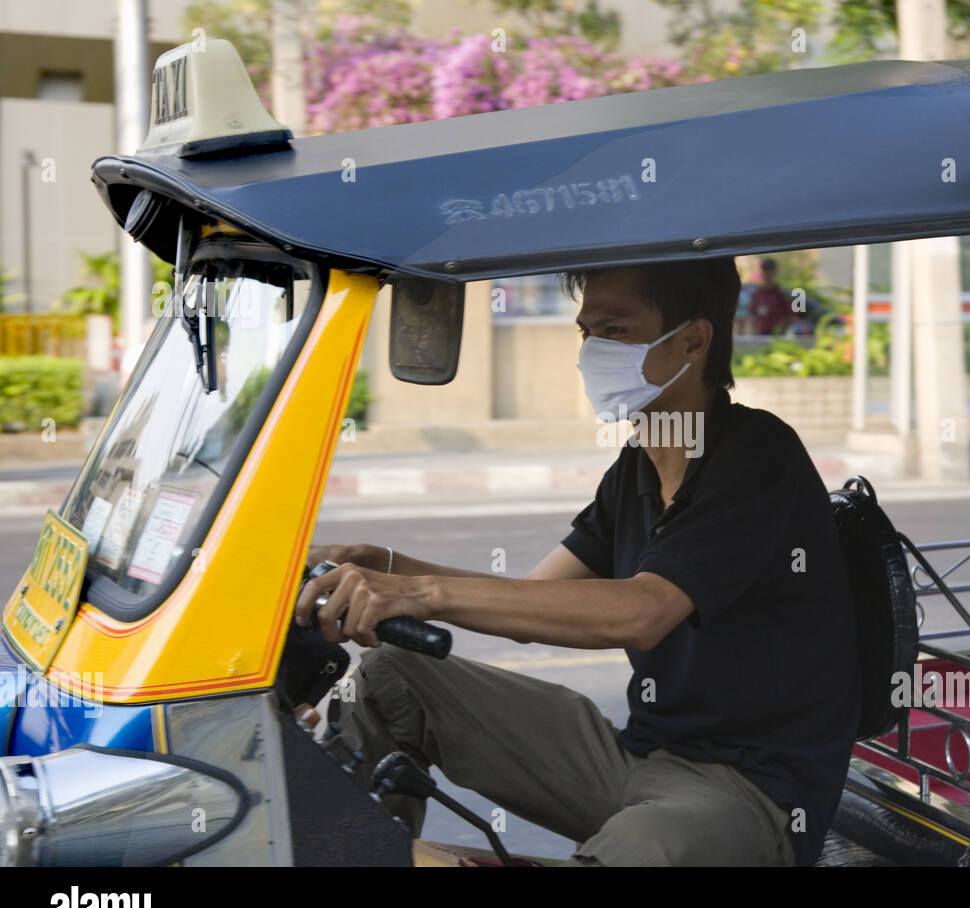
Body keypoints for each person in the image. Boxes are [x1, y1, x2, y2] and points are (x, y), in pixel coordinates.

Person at [297, 257, 860, 867]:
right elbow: (529, 601)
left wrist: (423, 594)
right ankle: (343, 850)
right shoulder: (637, 468)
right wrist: (380, 564)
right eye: (586, 332)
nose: (591, 351)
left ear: (693, 340)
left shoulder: (755, 457)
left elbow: (643, 610)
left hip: (750, 796)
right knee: (391, 680)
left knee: (642, 845)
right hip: (636, 761)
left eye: (614, 332)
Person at [747, 257, 796, 335]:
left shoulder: (782, 293)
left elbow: (790, 316)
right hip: (760, 336)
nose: (767, 274)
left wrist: (781, 327)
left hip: (778, 336)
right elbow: (752, 316)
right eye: (765, 270)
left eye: (770, 271)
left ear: (775, 272)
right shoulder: (756, 294)